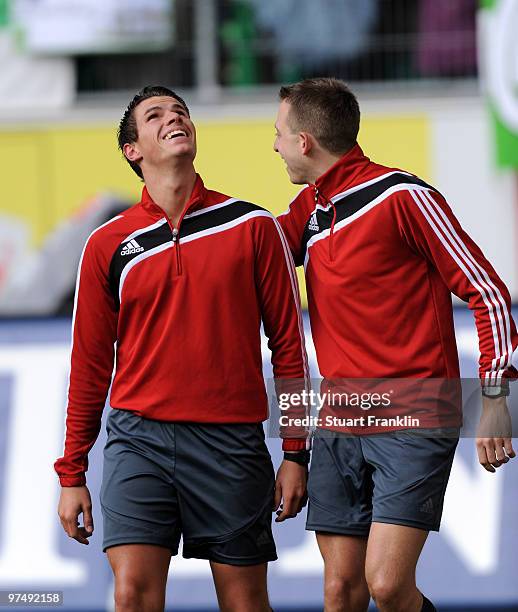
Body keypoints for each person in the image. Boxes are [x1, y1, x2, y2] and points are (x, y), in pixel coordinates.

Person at [55, 85, 310, 612]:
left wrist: (295, 452)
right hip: (137, 442)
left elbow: (289, 348)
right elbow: (89, 366)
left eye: (181, 112)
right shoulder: (106, 245)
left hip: (231, 445)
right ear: (133, 150)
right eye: (156, 115)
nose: (174, 118)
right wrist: (72, 473)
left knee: (245, 604)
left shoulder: (252, 226)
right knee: (131, 595)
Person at [274, 77, 517, 612]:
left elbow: (489, 292)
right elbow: (246, 257)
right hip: (339, 420)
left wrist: (496, 398)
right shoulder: (308, 212)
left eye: (280, 134)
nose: (275, 145)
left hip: (415, 414)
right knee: (341, 591)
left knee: (386, 584)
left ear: (305, 142)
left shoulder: (404, 197)